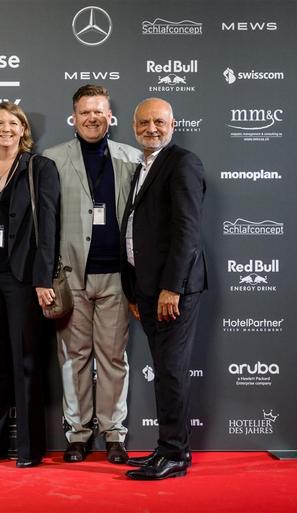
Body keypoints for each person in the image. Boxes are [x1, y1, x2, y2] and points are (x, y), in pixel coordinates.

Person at [42, 85, 141, 464]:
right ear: (74, 117)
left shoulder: (132, 159)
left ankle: (114, 434)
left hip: (117, 276)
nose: (92, 118)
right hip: (70, 277)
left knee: (114, 357)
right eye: (85, 112)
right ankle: (78, 434)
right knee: (74, 357)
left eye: (99, 111)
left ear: (110, 116)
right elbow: (45, 224)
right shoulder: (52, 160)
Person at [0, 102, 60, 468]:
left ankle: (29, 448)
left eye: (13, 123)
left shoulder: (40, 168)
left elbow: (48, 227)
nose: (6, 129)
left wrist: (43, 278)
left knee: (25, 361)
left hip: (24, 278)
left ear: (23, 130)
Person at [121, 98, 207, 480]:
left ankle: (174, 454)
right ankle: (170, 448)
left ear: (173, 125)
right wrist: (135, 290)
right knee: (165, 370)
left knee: (171, 371)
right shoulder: (143, 166)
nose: (151, 128)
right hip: (148, 290)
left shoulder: (182, 162)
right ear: (133, 127)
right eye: (143, 123)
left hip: (173, 292)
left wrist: (172, 288)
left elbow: (187, 230)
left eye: (158, 121)